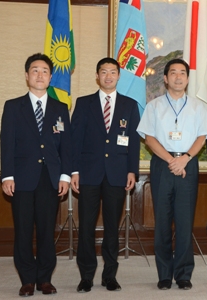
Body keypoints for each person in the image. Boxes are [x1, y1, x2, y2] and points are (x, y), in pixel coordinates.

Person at [137, 58, 207, 290]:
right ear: (165, 78)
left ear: (188, 79)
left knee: (184, 222)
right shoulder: (154, 106)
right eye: (173, 73)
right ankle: (163, 274)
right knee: (162, 221)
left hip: (187, 164)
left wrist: (185, 159)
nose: (178, 77)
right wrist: (172, 160)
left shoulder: (198, 106)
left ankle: (183, 274)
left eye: (183, 73)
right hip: (163, 164)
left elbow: (202, 136)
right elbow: (149, 138)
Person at [0, 53, 72, 297]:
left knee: (45, 229)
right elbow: (7, 144)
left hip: (50, 178)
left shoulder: (61, 109)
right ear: (26, 76)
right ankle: (27, 279)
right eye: (35, 70)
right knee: (22, 230)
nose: (39, 74)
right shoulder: (13, 106)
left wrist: (64, 176)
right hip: (21, 178)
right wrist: (7, 175)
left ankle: (44, 279)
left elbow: (66, 146)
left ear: (51, 77)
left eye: (44, 71)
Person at [71, 57, 140, 293]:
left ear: (119, 76)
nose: (108, 76)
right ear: (97, 76)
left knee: (112, 228)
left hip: (118, 175)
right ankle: (86, 276)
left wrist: (132, 170)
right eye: (104, 72)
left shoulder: (130, 105)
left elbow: (133, 144)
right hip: (88, 174)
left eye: (113, 72)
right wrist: (75, 171)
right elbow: (75, 140)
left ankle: (110, 275)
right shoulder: (83, 103)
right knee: (87, 228)